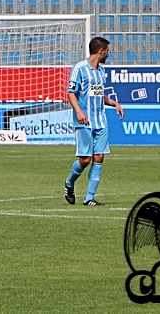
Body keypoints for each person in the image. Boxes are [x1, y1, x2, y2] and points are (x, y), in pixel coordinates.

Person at [63, 37, 124, 207]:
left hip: (101, 120)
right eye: (107, 51)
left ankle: (89, 198)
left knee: (99, 157)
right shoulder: (79, 68)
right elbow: (71, 93)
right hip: (84, 119)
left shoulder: (101, 71)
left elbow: (98, 94)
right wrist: (79, 111)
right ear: (101, 50)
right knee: (85, 160)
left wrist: (113, 103)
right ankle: (69, 183)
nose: (108, 54)